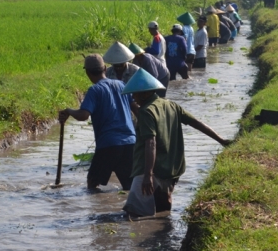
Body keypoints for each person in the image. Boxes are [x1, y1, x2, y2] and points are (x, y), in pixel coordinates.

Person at [120, 69, 232, 217]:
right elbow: (196, 123)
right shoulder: (171, 105)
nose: (133, 97)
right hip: (172, 168)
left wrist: (148, 175)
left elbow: (151, 143)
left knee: (133, 213)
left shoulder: (146, 111)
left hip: (148, 170)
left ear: (144, 93)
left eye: (135, 93)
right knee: (163, 210)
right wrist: (221, 140)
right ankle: (164, 235)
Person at [58, 54, 136, 190]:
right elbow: (137, 109)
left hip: (108, 144)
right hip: (130, 142)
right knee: (129, 186)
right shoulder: (121, 84)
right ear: (105, 68)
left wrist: (69, 111)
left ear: (87, 73)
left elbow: (84, 115)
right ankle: (127, 210)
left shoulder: (95, 90)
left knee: (93, 183)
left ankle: (97, 210)